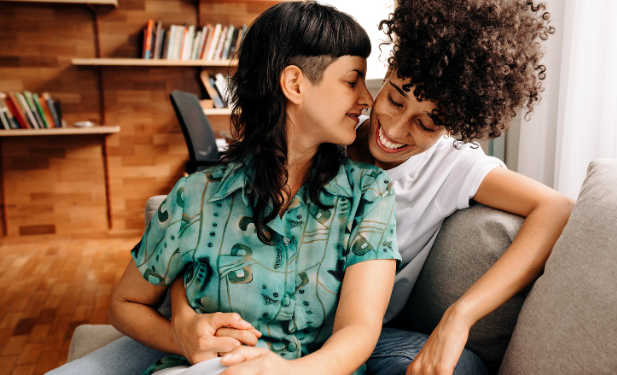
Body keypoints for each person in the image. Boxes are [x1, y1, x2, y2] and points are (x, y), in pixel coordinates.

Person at [49, 0, 573, 374]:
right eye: (391, 97)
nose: (390, 127)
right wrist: (184, 320)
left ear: (455, 124)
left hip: (338, 336)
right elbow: (206, 230)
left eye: (428, 123)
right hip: (224, 331)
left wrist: (460, 315)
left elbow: (555, 208)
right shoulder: (320, 134)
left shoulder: (407, 180)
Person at [48, 2, 401, 375]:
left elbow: (359, 328)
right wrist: (180, 336)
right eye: (352, 81)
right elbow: (123, 303)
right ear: (295, 84)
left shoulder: (369, 193)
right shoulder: (195, 196)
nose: (367, 99)